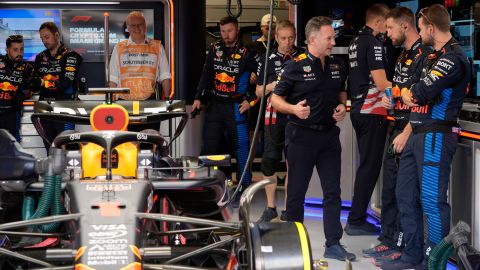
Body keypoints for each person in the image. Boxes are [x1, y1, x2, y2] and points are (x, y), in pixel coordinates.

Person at [382, 4, 471, 270]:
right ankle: (412, 256)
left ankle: (434, 263)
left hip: (436, 135)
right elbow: (413, 89)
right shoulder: (433, 56)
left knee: (432, 201)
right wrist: (407, 93)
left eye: (421, 29)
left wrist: (405, 94)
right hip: (416, 133)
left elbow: (418, 93)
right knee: (405, 195)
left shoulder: (453, 58)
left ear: (431, 28)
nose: (420, 34)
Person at [271, 16, 355, 261]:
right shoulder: (294, 66)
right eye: (328, 37)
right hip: (301, 137)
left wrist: (342, 107)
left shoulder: (338, 64)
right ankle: (292, 244)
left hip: (329, 137)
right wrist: (294, 109)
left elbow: (341, 91)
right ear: (312, 39)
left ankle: (333, 243)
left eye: (333, 37)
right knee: (296, 194)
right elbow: (275, 99)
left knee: (333, 192)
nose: (333, 41)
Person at [364, 7, 429, 266]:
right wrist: (391, 101)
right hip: (396, 126)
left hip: (410, 132)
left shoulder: (425, 55)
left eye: (389, 28)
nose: (386, 33)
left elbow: (424, 101)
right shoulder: (402, 55)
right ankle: (390, 239)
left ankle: (404, 247)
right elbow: (400, 90)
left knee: (407, 195)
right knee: (390, 190)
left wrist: (407, 130)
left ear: (405, 26)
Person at [192, 16, 257, 206]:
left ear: (237, 30)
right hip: (216, 104)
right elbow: (206, 73)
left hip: (237, 106)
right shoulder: (214, 48)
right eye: (222, 31)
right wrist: (197, 97)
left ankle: (243, 188)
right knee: (210, 144)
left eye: (229, 31)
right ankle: (208, 187)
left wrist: (251, 101)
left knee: (241, 147)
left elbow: (263, 78)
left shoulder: (247, 52)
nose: (226, 35)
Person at [346, 3, 391, 236]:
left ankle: (356, 217)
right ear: (378, 22)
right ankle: (355, 220)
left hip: (357, 109)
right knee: (369, 167)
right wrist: (410, 88)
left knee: (366, 166)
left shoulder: (355, 42)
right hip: (372, 110)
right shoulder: (373, 43)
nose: (388, 27)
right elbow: (382, 83)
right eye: (387, 22)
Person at [256, 20, 302, 223]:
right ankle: (270, 207)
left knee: (294, 162)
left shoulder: (302, 56)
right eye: (283, 38)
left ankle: (289, 208)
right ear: (276, 38)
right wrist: (275, 84)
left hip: (296, 115)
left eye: (291, 38)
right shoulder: (267, 58)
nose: (287, 42)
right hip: (273, 116)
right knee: (269, 162)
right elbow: (258, 91)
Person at [34, 22, 82, 150]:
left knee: (66, 148)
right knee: (50, 149)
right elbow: (34, 82)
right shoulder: (40, 57)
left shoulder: (71, 55)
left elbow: (65, 83)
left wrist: (44, 83)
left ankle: (68, 171)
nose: (44, 41)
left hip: (65, 107)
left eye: (47, 37)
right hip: (44, 108)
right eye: (42, 38)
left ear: (56, 35)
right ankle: (51, 171)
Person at [109, 11, 171, 100]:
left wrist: (167, 99)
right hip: (123, 101)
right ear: (128, 28)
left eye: (140, 24)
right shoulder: (119, 48)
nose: (137, 28)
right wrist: (112, 101)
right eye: (133, 25)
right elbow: (113, 78)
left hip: (149, 101)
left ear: (145, 26)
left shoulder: (157, 47)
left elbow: (165, 76)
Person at [0, 35, 34, 142]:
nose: (19, 53)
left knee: (13, 146)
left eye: (21, 49)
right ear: (7, 50)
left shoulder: (27, 68)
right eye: (15, 49)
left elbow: (32, 89)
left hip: (12, 113)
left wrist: (22, 95)